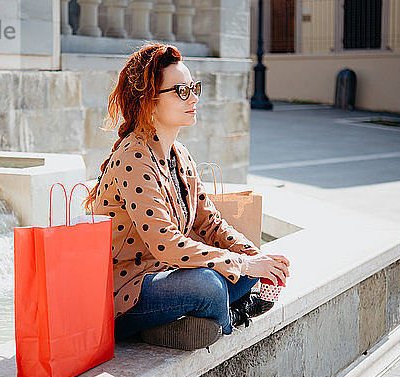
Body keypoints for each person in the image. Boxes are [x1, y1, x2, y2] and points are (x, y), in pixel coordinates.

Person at [84, 43, 290, 350]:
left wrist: (254, 257)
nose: (193, 98)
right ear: (149, 102)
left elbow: (211, 224)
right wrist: (244, 267)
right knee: (209, 285)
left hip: (169, 275)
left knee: (249, 265)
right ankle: (225, 316)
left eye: (193, 88)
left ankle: (194, 322)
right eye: (181, 91)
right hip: (128, 289)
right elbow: (165, 244)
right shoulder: (133, 157)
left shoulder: (180, 154)